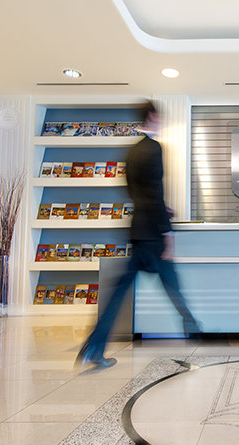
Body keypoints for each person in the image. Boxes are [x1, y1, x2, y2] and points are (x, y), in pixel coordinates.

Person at [76, 102, 200, 371]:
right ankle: (196, 334)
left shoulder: (131, 152)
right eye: (160, 117)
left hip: (138, 230)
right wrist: (168, 232)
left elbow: (135, 192)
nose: (161, 121)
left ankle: (94, 347)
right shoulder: (154, 148)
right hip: (154, 234)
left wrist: (160, 210)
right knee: (174, 288)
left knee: (120, 293)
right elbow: (155, 191)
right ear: (152, 116)